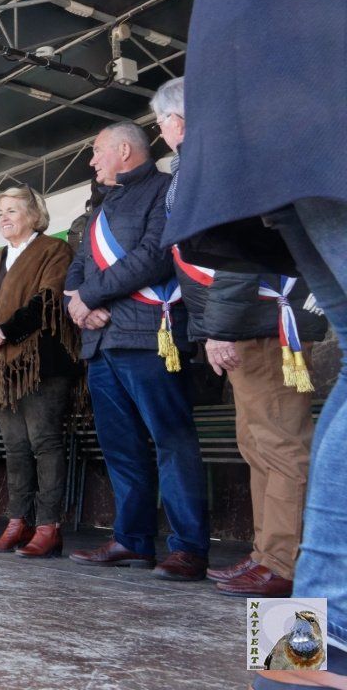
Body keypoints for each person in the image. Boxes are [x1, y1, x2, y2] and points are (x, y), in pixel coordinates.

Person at [153, 77, 328, 599]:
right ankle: (268, 555)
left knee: (280, 445)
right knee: (259, 445)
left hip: (260, 326)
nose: (160, 130)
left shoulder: (224, 163)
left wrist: (216, 329)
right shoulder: (208, 164)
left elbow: (235, 256)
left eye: (161, 120)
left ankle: (286, 563)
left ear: (178, 121)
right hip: (247, 327)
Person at [65, 121, 209, 580]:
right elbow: (78, 270)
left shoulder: (165, 190)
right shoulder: (100, 208)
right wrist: (79, 304)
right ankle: (132, 541)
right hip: (102, 343)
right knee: (121, 448)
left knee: (172, 442)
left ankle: (188, 548)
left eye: (96, 151)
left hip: (149, 337)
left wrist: (92, 297)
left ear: (124, 150)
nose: (92, 161)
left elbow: (155, 255)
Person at [0, 187, 80, 558]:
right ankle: (18, 523)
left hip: (42, 362)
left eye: (12, 210)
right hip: (1, 367)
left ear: (34, 215)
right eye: (0, 212)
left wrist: (3, 333)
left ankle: (48, 527)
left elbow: (47, 299)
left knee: (44, 442)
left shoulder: (54, 250)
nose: (4, 217)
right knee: (14, 447)